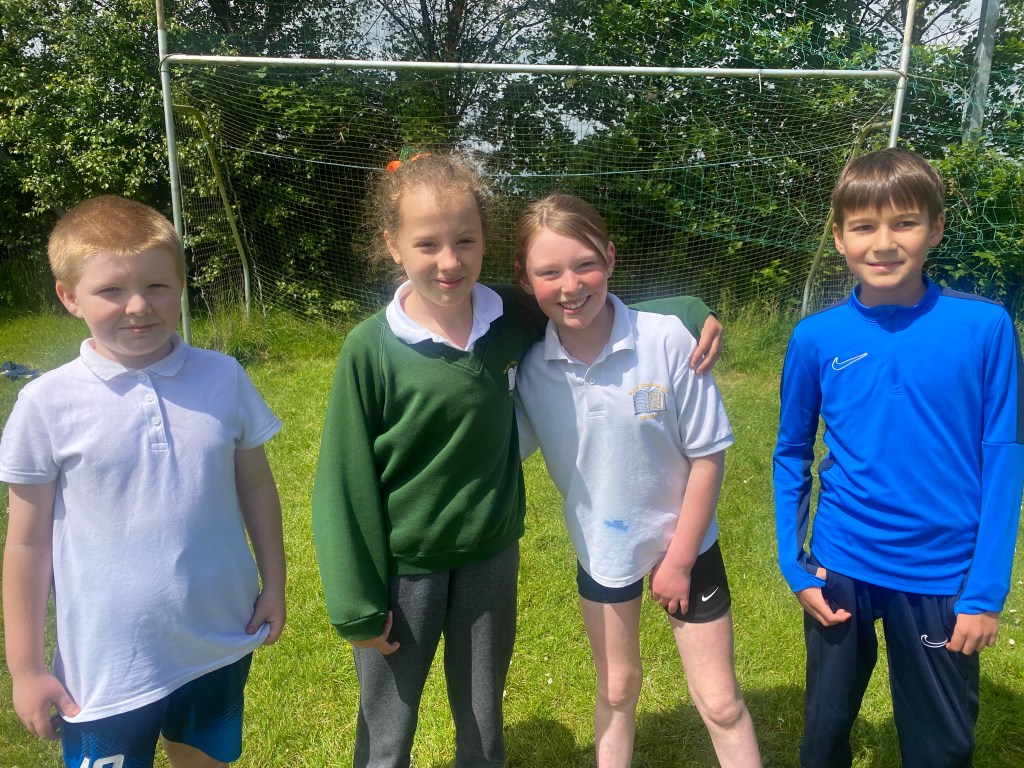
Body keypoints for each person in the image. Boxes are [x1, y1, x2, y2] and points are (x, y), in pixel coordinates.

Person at [311, 153, 723, 768]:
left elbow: (584, 297)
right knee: (388, 724)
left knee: (482, 719)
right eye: (427, 244)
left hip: (491, 554)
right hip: (405, 569)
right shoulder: (370, 348)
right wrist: (356, 603)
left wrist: (689, 309)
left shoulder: (507, 313)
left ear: (485, 241)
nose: (449, 262)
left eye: (465, 241)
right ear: (393, 246)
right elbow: (342, 481)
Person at [1, 196, 286, 768]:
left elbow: (257, 488)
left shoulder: (223, 377)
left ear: (181, 285)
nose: (138, 306)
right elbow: (27, 544)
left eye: (158, 286)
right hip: (107, 666)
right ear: (69, 296)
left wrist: (274, 584)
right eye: (111, 290)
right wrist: (26, 669)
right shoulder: (46, 403)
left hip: (216, 641)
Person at [773, 147, 1024, 768]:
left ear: (935, 228)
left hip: (941, 573)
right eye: (863, 227)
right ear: (839, 238)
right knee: (824, 730)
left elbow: (1004, 460)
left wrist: (984, 593)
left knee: (941, 747)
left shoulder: (985, 327)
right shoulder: (816, 337)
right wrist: (795, 565)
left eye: (904, 223)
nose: (883, 243)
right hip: (841, 565)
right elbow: (791, 452)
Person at [512, 193, 762, 768]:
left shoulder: (669, 339)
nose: (570, 285)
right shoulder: (529, 371)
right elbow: (497, 453)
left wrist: (678, 561)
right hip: (603, 550)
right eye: (549, 272)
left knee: (721, 702)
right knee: (617, 690)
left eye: (585, 264)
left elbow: (708, 458)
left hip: (688, 545)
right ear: (525, 280)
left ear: (611, 258)